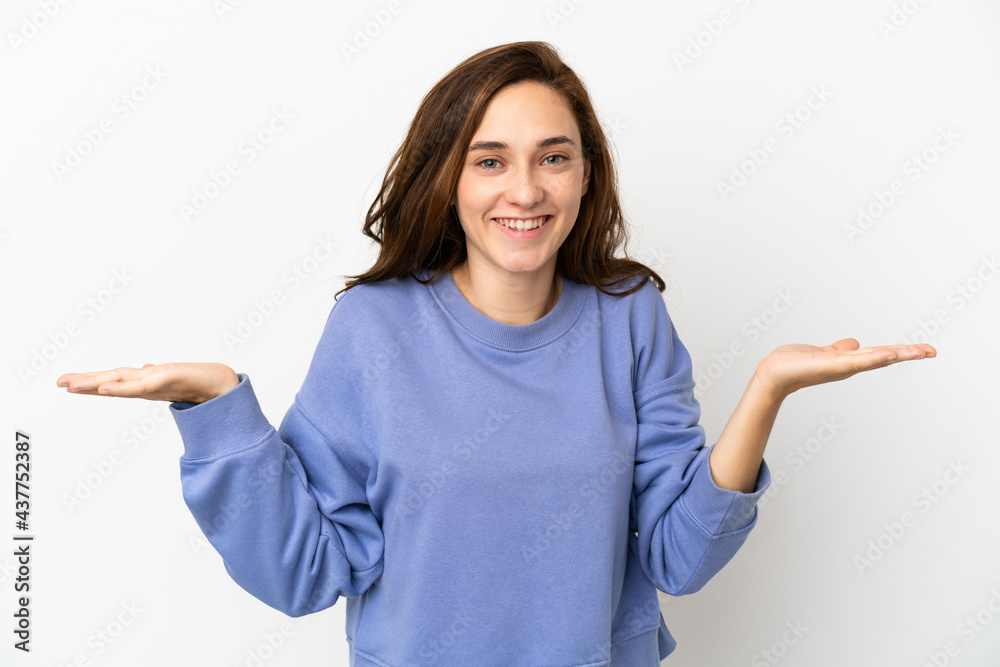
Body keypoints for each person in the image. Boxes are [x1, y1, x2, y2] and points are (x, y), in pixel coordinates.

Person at [56, 41, 936, 666]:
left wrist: (768, 389)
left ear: (586, 174)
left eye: (553, 157)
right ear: (449, 177)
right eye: (490, 161)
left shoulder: (630, 316)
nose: (525, 189)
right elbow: (306, 571)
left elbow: (680, 557)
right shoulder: (374, 327)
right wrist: (218, 408)